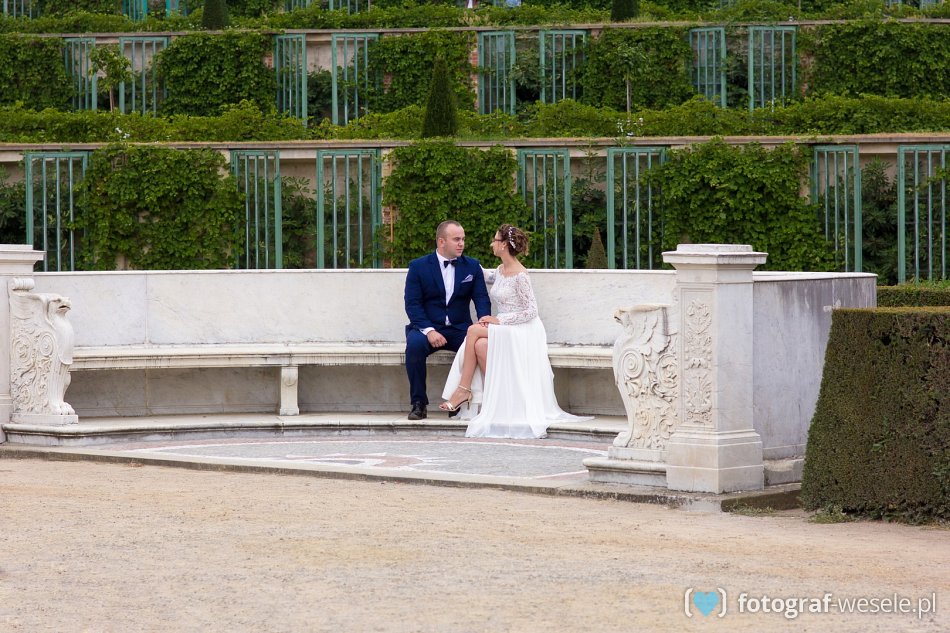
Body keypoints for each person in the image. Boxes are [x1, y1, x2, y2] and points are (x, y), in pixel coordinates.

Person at [440, 224, 592, 438]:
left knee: (473, 331)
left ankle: (463, 390)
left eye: (495, 240)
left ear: (503, 245)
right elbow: (484, 274)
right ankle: (500, 399)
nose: (492, 244)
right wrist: (463, 262)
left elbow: (531, 311)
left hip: (523, 329)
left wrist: (499, 320)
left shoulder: (521, 275)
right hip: (506, 327)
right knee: (480, 345)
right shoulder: (500, 270)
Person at [404, 220, 491, 421]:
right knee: (414, 347)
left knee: (477, 345)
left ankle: (459, 401)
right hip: (427, 327)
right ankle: (418, 403)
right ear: (441, 241)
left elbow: (481, 298)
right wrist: (429, 331)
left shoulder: (472, 266)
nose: (461, 244)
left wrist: (483, 322)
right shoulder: (418, 266)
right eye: (456, 239)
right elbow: (412, 304)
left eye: (463, 239)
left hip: (460, 328)